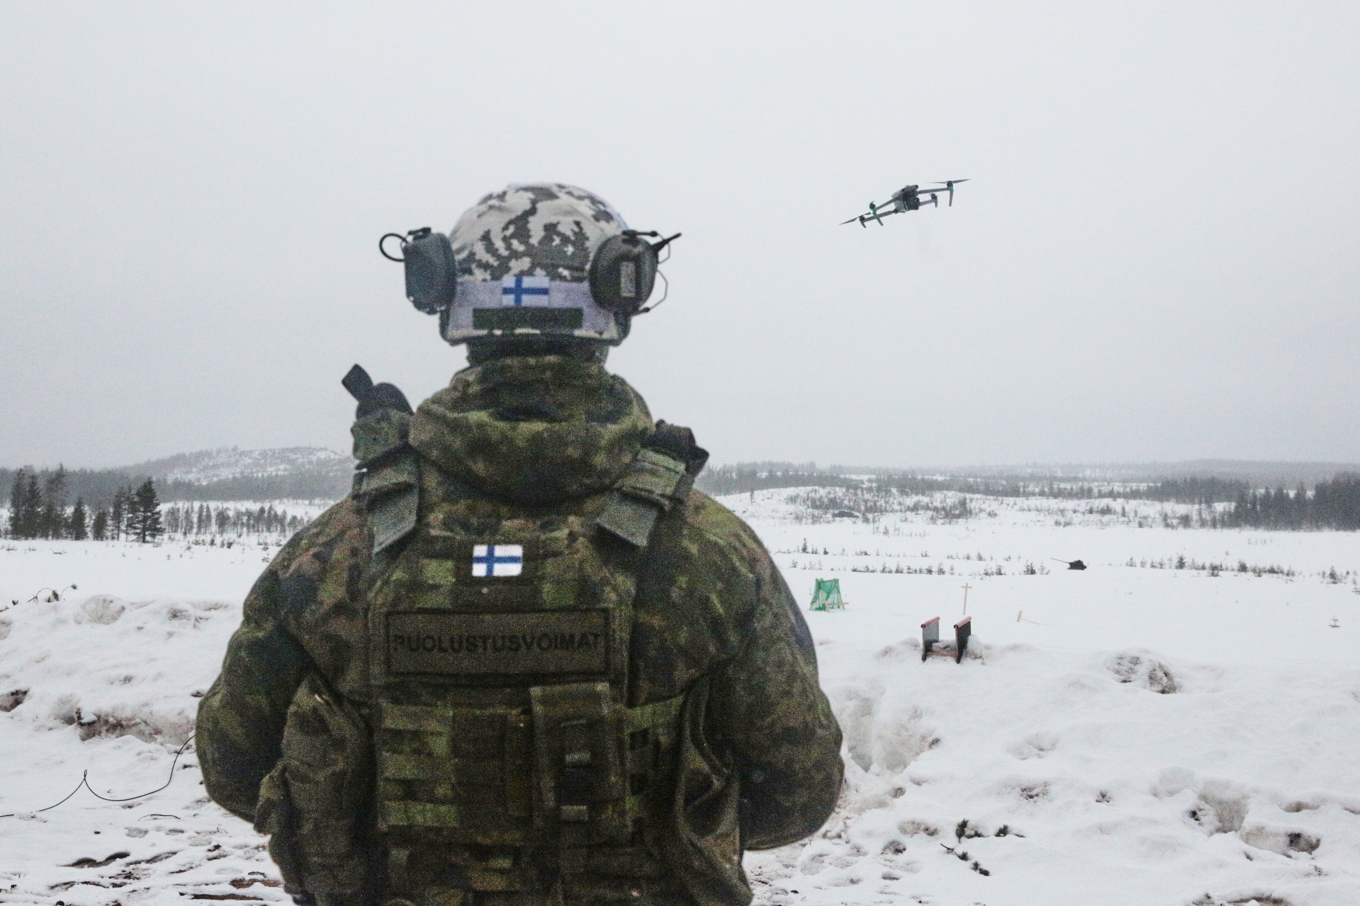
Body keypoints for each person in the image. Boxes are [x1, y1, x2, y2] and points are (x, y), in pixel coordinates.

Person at [196, 184, 843, 906]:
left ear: (442, 294)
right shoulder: (711, 552)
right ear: (620, 295)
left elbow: (233, 767)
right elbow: (797, 792)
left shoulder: (333, 552)